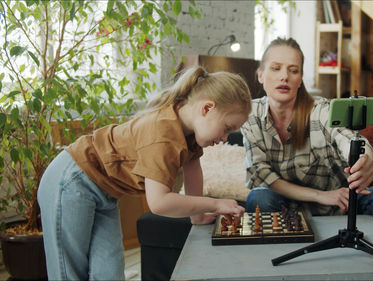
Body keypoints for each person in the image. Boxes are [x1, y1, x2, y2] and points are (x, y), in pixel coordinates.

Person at [38, 66, 251, 280]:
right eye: (227, 128)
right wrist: (215, 204)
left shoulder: (189, 132)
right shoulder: (162, 133)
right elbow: (159, 203)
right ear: (207, 108)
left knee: (109, 273)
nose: (225, 138)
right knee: (69, 272)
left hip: (105, 191)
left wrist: (197, 216)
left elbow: (193, 169)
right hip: (72, 180)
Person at [241, 37, 373, 233]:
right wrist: (320, 195)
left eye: (293, 71)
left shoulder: (320, 109)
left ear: (300, 79)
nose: (284, 77)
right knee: (259, 198)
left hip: (340, 204)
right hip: (288, 208)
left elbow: (346, 137)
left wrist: (367, 157)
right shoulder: (250, 116)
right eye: (276, 68)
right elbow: (262, 176)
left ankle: (363, 258)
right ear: (260, 75)